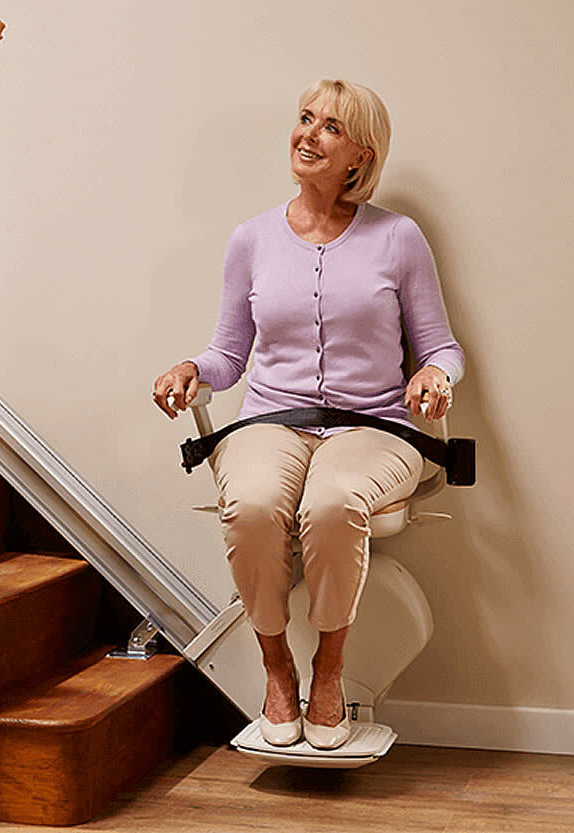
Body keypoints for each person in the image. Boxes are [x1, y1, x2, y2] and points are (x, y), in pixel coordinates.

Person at [152, 79, 464, 750]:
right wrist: (192, 370)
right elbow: (228, 355)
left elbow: (440, 345)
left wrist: (436, 374)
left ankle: (329, 666)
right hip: (269, 418)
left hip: (374, 425)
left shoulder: (398, 239)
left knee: (332, 502)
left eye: (330, 127)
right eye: (304, 119)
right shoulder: (252, 239)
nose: (308, 134)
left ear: (360, 155)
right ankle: (276, 666)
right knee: (254, 502)